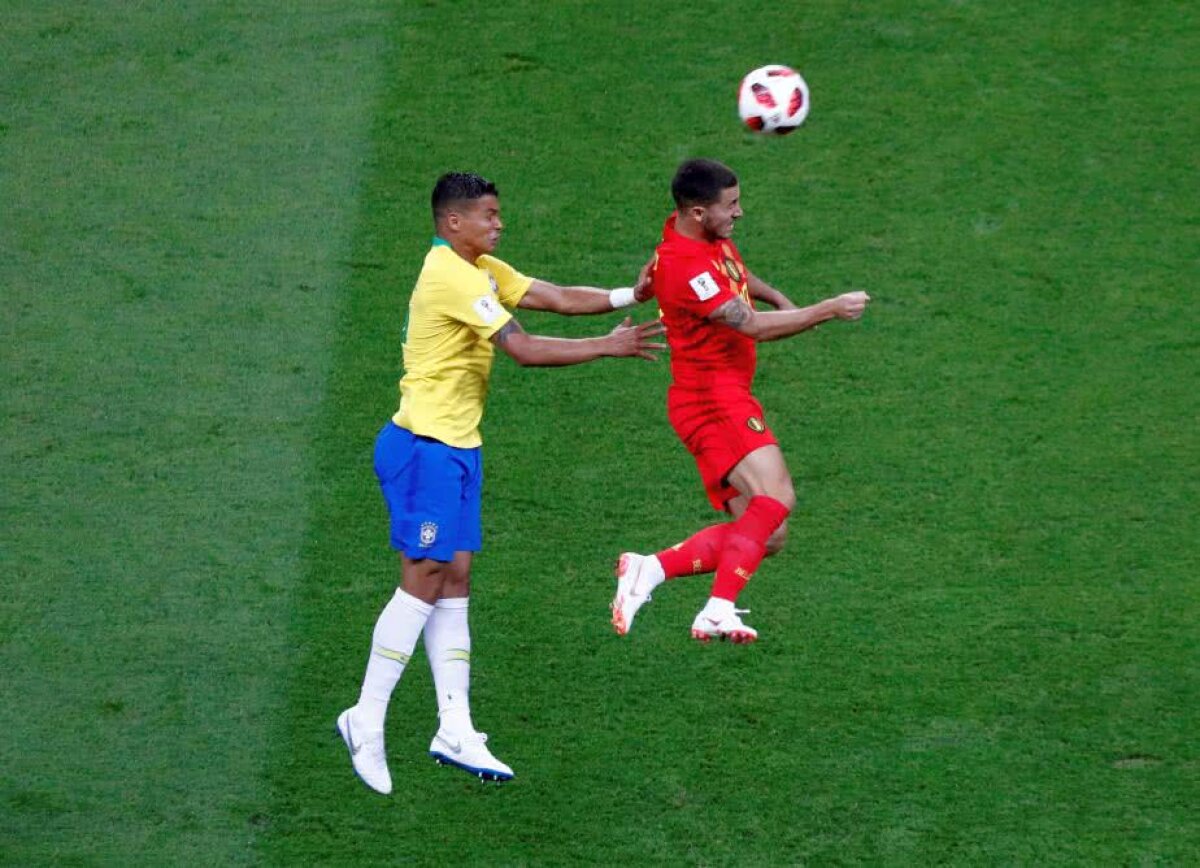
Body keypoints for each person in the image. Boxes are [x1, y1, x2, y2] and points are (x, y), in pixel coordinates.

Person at [338, 171, 663, 794]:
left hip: (458, 448)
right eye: (489, 215)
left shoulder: (480, 266)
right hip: (424, 449)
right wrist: (608, 347)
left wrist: (630, 294)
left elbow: (556, 295)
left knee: (454, 579)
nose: (499, 222)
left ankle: (454, 726)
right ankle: (365, 717)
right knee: (424, 578)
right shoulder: (450, 276)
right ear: (453, 222)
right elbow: (525, 349)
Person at [611, 158, 870, 644]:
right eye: (730, 206)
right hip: (712, 400)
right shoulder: (685, 265)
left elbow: (735, 272)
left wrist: (776, 296)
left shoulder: (701, 237)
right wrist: (828, 309)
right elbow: (745, 324)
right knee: (778, 497)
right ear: (696, 211)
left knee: (767, 535)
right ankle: (716, 609)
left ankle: (651, 569)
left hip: (718, 396)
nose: (740, 213)